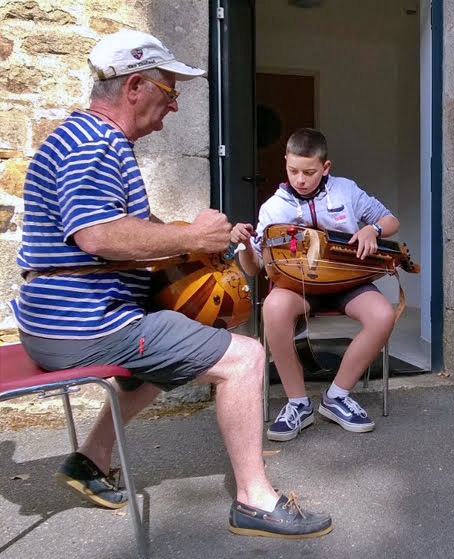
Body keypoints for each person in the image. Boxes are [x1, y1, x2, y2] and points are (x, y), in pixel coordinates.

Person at [11, 29, 332, 538]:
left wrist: (191, 242)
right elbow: (97, 235)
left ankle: (90, 459)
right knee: (244, 357)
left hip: (63, 317)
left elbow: (118, 227)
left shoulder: (86, 138)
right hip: (82, 325)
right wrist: (190, 238)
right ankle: (254, 500)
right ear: (135, 85)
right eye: (170, 91)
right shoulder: (95, 143)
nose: (175, 107)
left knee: (174, 343)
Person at [232, 128, 399, 442]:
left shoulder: (346, 190)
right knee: (274, 306)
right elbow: (255, 269)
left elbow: (391, 221)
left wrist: (373, 230)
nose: (300, 179)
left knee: (382, 315)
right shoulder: (273, 207)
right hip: (296, 286)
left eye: (309, 172)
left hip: (345, 280)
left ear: (326, 167)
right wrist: (243, 247)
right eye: (293, 171)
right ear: (285, 163)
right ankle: (298, 403)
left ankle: (337, 397)